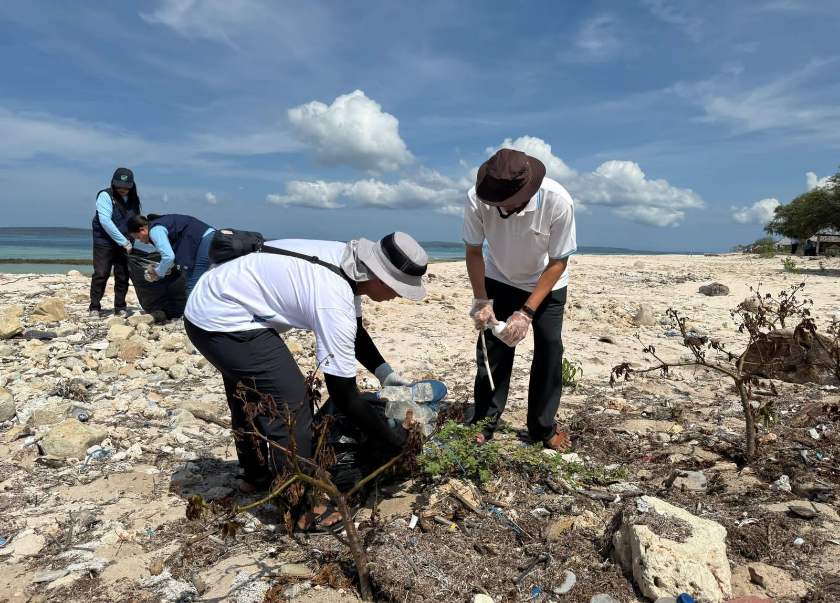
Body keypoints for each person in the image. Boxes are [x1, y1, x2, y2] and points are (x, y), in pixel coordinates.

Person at [183, 232, 426, 503]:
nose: (398, 297)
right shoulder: (334, 298)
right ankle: (297, 504)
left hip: (214, 302)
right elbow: (344, 394)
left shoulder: (349, 263)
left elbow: (356, 333)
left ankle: (255, 474)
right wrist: (391, 442)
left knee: (248, 395)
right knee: (292, 403)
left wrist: (385, 374)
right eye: (398, 289)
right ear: (381, 278)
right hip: (222, 318)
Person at [463, 149, 577, 450]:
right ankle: (485, 423)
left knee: (549, 349)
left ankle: (542, 428)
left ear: (526, 192)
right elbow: (474, 251)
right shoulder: (477, 198)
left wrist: (526, 312)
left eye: (505, 204)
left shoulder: (557, 201)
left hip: (546, 282)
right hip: (499, 276)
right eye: (493, 203)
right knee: (493, 348)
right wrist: (481, 300)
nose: (498, 208)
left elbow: (558, 262)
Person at [89, 167, 141, 317]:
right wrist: (123, 242)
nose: (122, 189)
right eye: (119, 186)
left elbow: (135, 221)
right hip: (104, 241)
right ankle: (94, 306)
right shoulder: (105, 196)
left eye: (126, 187)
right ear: (113, 183)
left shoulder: (133, 199)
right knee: (101, 273)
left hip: (125, 241)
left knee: (123, 274)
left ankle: (120, 307)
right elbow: (105, 221)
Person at [127, 214, 216, 296]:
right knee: (200, 281)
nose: (140, 241)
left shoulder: (154, 231)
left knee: (193, 286)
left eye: (138, 237)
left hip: (204, 240)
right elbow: (171, 258)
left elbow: (168, 257)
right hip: (208, 237)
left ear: (143, 229)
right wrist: (163, 268)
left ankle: (193, 312)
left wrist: (157, 273)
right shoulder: (160, 225)